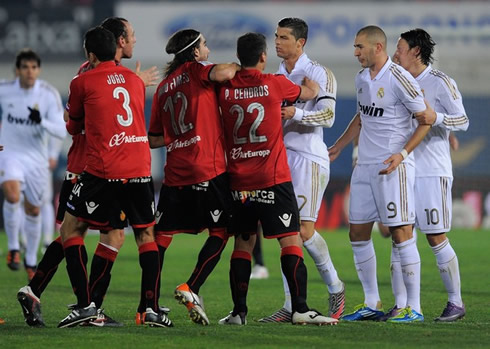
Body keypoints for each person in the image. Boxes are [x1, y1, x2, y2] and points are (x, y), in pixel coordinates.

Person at [17, 17, 160, 328]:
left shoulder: (110, 77)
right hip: (88, 167)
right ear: (119, 41)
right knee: (78, 231)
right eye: (131, 35)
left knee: (105, 234)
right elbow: (77, 122)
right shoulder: (93, 75)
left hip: (103, 165)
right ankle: (86, 306)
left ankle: (76, 302)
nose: (134, 40)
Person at [53, 26, 171, 328]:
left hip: (104, 169)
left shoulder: (81, 81)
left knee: (71, 229)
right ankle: (151, 310)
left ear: (91, 55)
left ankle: (84, 306)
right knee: (146, 235)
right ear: (115, 49)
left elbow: (73, 126)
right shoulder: (133, 79)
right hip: (141, 167)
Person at [217, 32, 337, 326]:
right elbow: (309, 93)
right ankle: (299, 307)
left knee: (243, 243)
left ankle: (238, 312)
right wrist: (308, 89)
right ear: (262, 57)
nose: (277, 43)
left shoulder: (225, 87)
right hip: (272, 174)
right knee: (291, 238)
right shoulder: (274, 83)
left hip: (239, 178)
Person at [328, 25, 434, 323]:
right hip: (364, 167)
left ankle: (413, 307)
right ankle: (372, 302)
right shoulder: (362, 78)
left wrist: (402, 154)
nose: (355, 52)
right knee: (357, 233)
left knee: (401, 233)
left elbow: (425, 119)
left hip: (393, 168)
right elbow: (361, 116)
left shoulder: (400, 78)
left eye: (360, 47)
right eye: (355, 47)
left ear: (378, 47)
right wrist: (338, 146)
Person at [148, 28, 240, 326]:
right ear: (194, 52)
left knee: (161, 237)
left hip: (175, 172)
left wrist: (180, 134)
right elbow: (225, 72)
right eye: (205, 46)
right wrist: (243, 66)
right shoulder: (197, 71)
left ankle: (147, 306)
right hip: (207, 168)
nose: (209, 50)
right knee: (222, 231)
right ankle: (192, 286)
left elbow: (153, 139)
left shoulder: (163, 88)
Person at [259, 17, 345, 323]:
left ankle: (335, 286)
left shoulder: (319, 73)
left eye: (283, 37)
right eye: (276, 36)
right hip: (282, 160)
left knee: (302, 231)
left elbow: (330, 116)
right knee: (287, 233)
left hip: (308, 158)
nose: (277, 42)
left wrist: (296, 112)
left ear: (301, 43)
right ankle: (290, 305)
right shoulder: (278, 74)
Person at [383, 28, 468, 322]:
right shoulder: (395, 80)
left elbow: (464, 120)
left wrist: (438, 119)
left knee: (435, 235)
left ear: (416, 51)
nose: (395, 54)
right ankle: (403, 305)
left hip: (431, 170)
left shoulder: (440, 82)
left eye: (400, 48)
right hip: (403, 168)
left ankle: (455, 302)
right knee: (399, 236)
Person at [0, 49, 66, 280]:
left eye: (34, 67)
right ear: (17, 70)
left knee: (34, 210)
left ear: (38, 70)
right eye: (25, 67)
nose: (30, 72)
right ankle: (13, 249)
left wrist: (43, 121)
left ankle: (30, 260)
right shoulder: (5, 90)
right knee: (12, 194)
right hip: (10, 153)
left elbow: (61, 128)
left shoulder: (48, 94)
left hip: (36, 159)